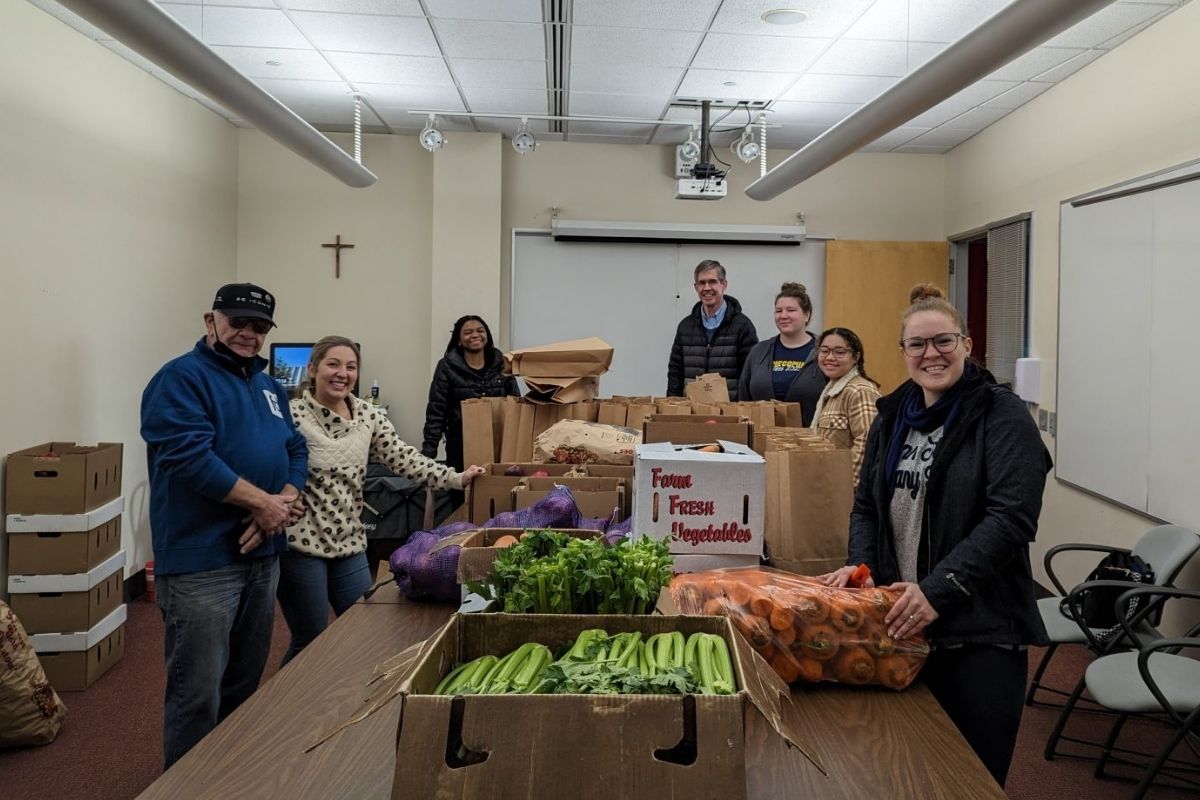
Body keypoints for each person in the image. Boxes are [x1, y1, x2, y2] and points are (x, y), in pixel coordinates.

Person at [822, 283, 1051, 787]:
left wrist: (937, 591)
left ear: (967, 346)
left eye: (944, 341)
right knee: (903, 769)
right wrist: (861, 568)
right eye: (918, 344)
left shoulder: (1002, 416)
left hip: (979, 633)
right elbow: (866, 505)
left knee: (970, 778)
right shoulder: (892, 416)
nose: (932, 354)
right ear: (902, 352)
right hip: (900, 623)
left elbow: (1012, 518)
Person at [141, 282, 308, 769]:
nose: (248, 334)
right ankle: (185, 786)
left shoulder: (269, 385)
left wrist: (284, 499)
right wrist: (265, 505)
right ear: (209, 320)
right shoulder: (179, 379)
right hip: (201, 564)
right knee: (196, 693)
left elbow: (294, 449)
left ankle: (227, 776)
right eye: (237, 322)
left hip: (262, 557)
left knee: (243, 680)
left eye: (259, 327)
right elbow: (189, 457)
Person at [281, 336, 484, 665]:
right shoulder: (292, 415)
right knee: (310, 639)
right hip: (302, 544)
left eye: (351, 367)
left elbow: (405, 459)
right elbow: (266, 462)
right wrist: (281, 497)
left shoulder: (366, 415)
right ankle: (283, 709)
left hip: (349, 540)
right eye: (333, 364)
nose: (342, 374)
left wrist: (456, 477)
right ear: (313, 368)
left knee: (367, 628)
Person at [421, 315, 520, 472]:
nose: (475, 335)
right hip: (460, 445)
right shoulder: (447, 367)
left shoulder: (502, 364)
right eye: (468, 332)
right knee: (461, 493)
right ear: (459, 340)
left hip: (499, 443)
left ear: (487, 336)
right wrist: (428, 454)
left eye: (480, 331)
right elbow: (436, 410)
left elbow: (516, 404)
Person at [667, 259, 757, 400]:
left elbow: (750, 374)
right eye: (702, 283)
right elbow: (675, 373)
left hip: (730, 414)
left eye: (712, 282)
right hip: (692, 411)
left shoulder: (743, 326)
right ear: (696, 287)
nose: (707, 288)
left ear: (724, 284)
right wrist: (672, 408)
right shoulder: (685, 327)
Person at [736, 282, 826, 424]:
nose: (783, 316)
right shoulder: (758, 352)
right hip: (761, 438)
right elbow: (743, 398)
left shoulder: (824, 352)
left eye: (791, 310)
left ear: (806, 315)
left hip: (809, 440)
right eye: (779, 311)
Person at [810, 327, 881, 486]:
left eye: (839, 352)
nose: (830, 357)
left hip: (847, 493)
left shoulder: (860, 391)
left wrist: (845, 489)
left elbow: (867, 445)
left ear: (855, 357)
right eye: (824, 351)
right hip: (826, 486)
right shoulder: (830, 391)